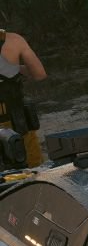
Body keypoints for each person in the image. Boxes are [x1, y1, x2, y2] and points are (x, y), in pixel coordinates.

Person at [0, 29, 47, 167]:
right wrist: (13, 68)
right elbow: (39, 74)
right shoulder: (14, 40)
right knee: (34, 169)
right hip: (17, 119)